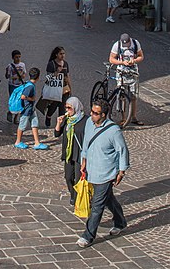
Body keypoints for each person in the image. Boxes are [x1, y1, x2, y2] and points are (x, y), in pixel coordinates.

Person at [77, 99, 129, 248]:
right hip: (92, 170)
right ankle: (120, 222)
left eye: (95, 113)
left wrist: (121, 171)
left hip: (106, 173)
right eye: (91, 111)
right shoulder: (89, 123)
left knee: (97, 205)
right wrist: (84, 160)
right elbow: (86, 143)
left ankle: (88, 236)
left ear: (104, 115)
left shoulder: (113, 131)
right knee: (108, 199)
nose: (91, 115)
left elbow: (122, 150)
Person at [55, 96, 88, 205]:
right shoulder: (67, 120)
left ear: (76, 107)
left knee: (78, 179)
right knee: (68, 177)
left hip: (79, 154)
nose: (67, 110)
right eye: (66, 108)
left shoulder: (85, 120)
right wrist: (59, 124)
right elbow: (56, 134)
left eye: (69, 108)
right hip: (69, 154)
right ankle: (73, 194)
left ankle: (77, 199)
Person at [108, 33, 145, 126]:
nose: (126, 46)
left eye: (127, 44)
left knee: (133, 97)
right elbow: (111, 59)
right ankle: (123, 118)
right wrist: (121, 62)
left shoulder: (136, 43)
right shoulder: (117, 45)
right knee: (122, 96)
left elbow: (141, 56)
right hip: (121, 73)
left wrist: (134, 61)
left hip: (133, 73)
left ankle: (133, 117)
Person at [13, 67, 49, 150]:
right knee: (22, 126)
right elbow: (23, 97)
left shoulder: (29, 84)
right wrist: (32, 99)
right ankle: (17, 142)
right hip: (26, 110)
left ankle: (37, 143)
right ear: (38, 77)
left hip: (31, 109)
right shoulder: (30, 87)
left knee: (35, 123)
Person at [40, 46, 71, 122]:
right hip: (55, 89)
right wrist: (57, 72)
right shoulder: (51, 64)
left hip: (64, 89)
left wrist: (70, 88)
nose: (63, 55)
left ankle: (60, 126)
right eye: (61, 54)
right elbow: (48, 78)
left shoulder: (65, 64)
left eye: (64, 53)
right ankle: (49, 116)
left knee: (62, 108)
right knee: (53, 106)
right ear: (56, 54)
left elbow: (67, 76)